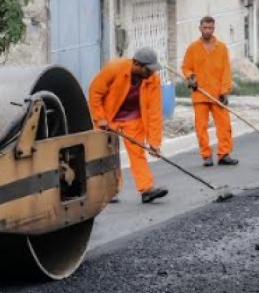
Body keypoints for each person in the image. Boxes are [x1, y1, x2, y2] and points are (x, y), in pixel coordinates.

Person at [89, 48, 169, 204]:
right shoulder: (115, 69)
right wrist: (100, 118)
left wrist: (154, 142)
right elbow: (95, 93)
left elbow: (154, 112)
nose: (151, 73)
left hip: (133, 118)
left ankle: (146, 189)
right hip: (108, 117)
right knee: (106, 155)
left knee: (137, 152)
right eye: (148, 69)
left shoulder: (153, 80)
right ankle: (110, 191)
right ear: (137, 64)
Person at [182, 16, 237, 167]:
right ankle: (206, 156)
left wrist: (225, 91)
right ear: (200, 28)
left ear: (214, 29)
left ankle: (224, 154)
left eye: (210, 28)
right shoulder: (193, 48)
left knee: (224, 125)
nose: (207, 30)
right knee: (201, 127)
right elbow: (186, 67)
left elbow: (226, 70)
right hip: (200, 94)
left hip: (218, 94)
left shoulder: (222, 48)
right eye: (205, 28)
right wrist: (190, 77)